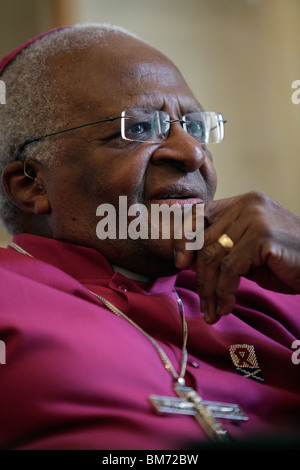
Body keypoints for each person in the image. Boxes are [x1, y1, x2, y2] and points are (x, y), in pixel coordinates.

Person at [0, 23, 299, 451]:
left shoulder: (274, 286)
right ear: (32, 185)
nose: (192, 153)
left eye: (195, 128)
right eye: (139, 129)